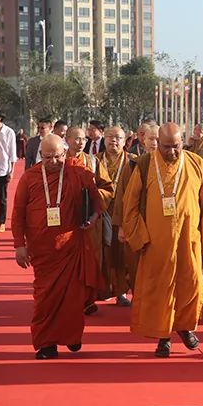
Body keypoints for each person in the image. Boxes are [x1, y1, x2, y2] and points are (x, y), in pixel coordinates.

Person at [121, 123, 203, 357]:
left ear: (182, 142)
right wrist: (139, 237)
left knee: (193, 285)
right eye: (166, 147)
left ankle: (185, 327)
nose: (172, 152)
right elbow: (130, 205)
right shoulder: (145, 165)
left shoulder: (197, 164)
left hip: (189, 239)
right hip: (156, 243)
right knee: (160, 290)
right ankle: (163, 338)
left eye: (176, 146)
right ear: (158, 144)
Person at [12, 135, 104, 359]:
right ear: (40, 156)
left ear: (66, 153)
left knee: (73, 299)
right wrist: (19, 246)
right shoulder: (30, 178)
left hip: (72, 246)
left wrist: (92, 218)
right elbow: (18, 213)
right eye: (47, 157)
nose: (53, 161)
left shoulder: (78, 172)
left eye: (57, 156)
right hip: (43, 251)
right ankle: (46, 344)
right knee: (45, 300)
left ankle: (71, 336)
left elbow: (96, 202)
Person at [67, 128, 114, 313]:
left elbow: (108, 188)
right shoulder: (60, 161)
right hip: (67, 221)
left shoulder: (93, 161)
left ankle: (88, 300)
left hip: (91, 221)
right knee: (69, 261)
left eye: (83, 139)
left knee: (92, 260)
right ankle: (70, 297)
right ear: (67, 139)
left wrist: (93, 196)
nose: (80, 142)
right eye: (76, 139)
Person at [103, 127, 137, 307]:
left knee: (123, 254)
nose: (113, 141)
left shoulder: (133, 163)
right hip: (102, 213)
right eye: (109, 137)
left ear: (126, 141)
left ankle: (122, 291)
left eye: (117, 138)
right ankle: (106, 287)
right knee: (105, 253)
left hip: (125, 212)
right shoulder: (96, 160)